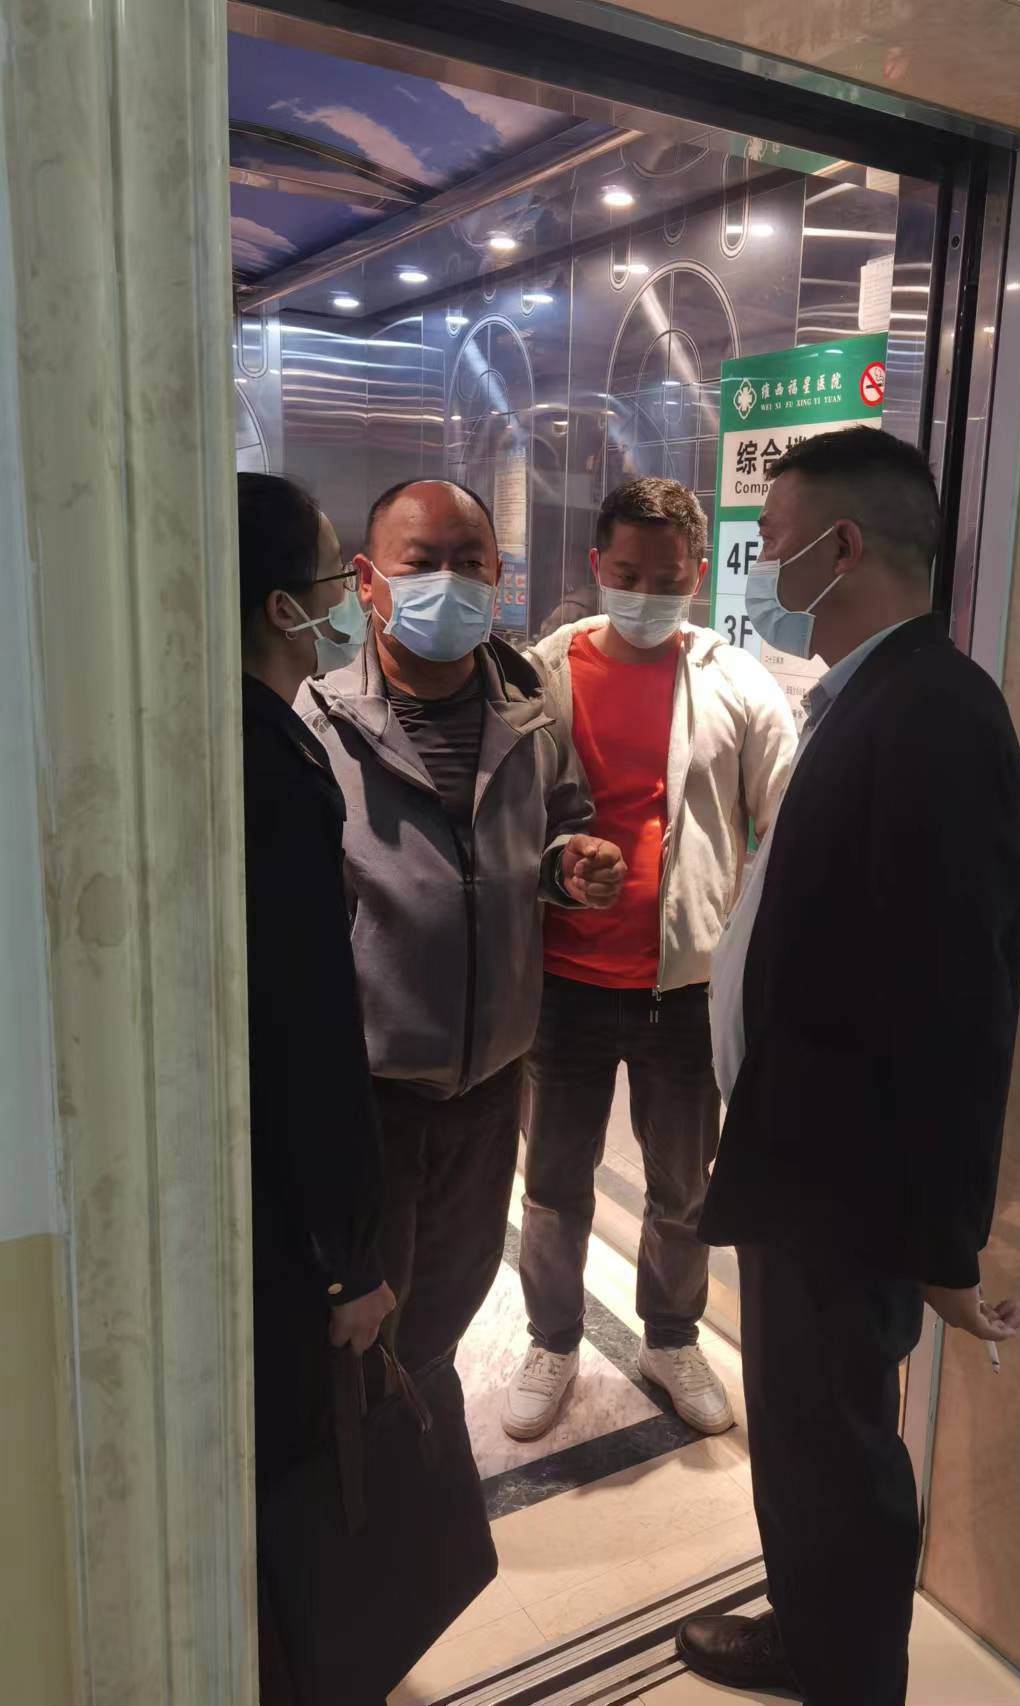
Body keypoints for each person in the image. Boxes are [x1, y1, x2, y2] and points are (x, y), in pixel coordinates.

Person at [675, 428, 1020, 1706]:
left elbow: (958, 1007)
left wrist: (943, 1243)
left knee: (835, 1451)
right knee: (803, 1444)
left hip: (847, 1184)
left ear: (839, 547)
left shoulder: (935, 716)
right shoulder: (864, 695)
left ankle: (849, 1676)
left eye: (769, 544)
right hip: (799, 1156)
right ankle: (815, 1630)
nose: (756, 568)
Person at [296, 478, 625, 1384]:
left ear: (497, 574)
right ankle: (381, 1451)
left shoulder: (531, 710)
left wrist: (568, 865)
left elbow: (562, 822)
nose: (449, 581)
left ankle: (425, 1422)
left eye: (469, 562)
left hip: (491, 1085)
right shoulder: (315, 726)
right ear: (367, 580)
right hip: (373, 1096)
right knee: (364, 1328)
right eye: (422, 563)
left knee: (450, 1302)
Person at [504, 477, 796, 1440]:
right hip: (564, 985)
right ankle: (553, 1340)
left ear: (697, 574)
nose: (645, 593)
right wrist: (556, 869)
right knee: (554, 1183)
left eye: (667, 579)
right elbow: (504, 823)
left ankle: (671, 1338)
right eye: (626, 574)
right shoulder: (543, 675)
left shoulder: (734, 682)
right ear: (597, 564)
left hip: (687, 990)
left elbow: (786, 824)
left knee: (684, 1186)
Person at [239, 472, 394, 1703]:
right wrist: (349, 1259)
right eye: (339, 570)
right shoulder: (272, 760)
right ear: (283, 605)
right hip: (288, 1221)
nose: (354, 594)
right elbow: (307, 1033)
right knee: (289, 1459)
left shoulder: (243, 728)